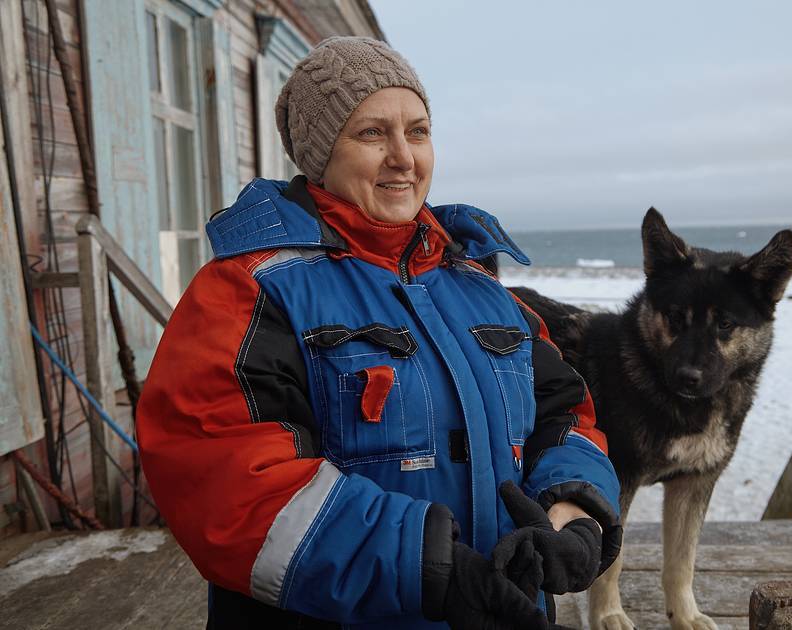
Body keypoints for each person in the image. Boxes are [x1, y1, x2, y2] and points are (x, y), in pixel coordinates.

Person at [137, 36, 621, 629]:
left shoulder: (477, 286)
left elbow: (565, 413)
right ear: (321, 155)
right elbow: (228, 488)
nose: (404, 158)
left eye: (417, 132)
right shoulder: (248, 291)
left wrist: (573, 513)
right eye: (372, 133)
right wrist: (431, 570)